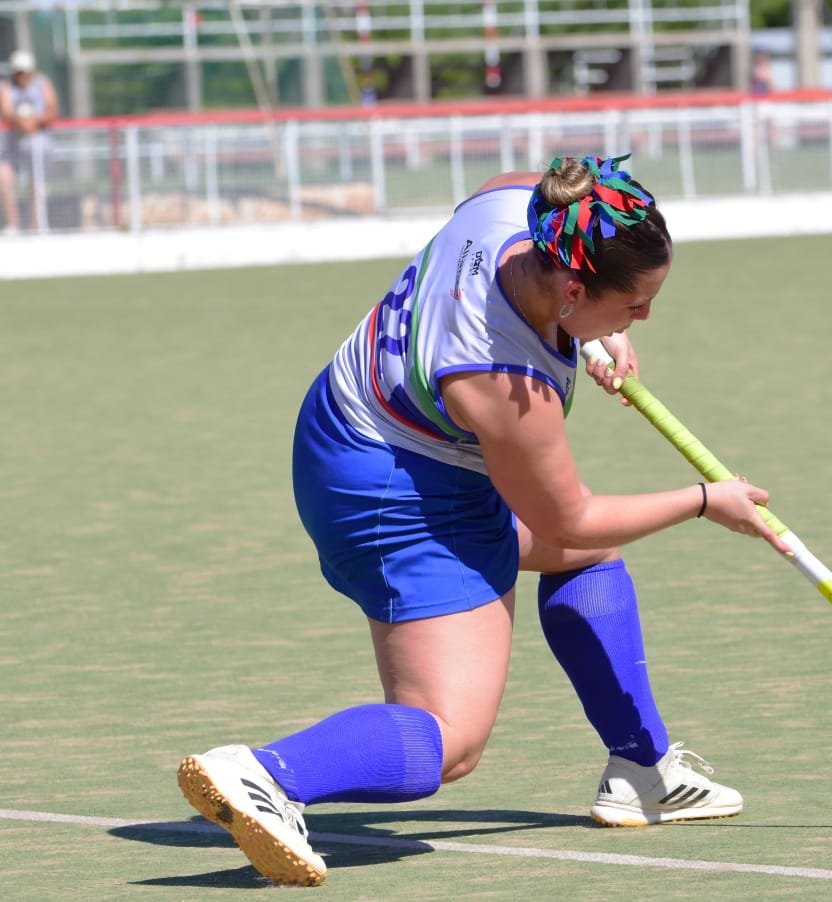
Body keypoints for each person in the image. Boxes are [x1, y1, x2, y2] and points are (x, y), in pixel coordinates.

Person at [176, 154, 788, 887]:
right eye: (634, 305)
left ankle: (642, 769)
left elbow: (521, 194)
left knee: (586, 561)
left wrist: (589, 329)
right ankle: (264, 774)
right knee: (452, 738)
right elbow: (569, 517)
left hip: (354, 418)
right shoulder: (501, 377)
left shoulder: (516, 211)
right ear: (573, 288)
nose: (644, 318)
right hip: (392, 493)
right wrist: (704, 501)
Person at [0, 49, 58, 235]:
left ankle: (36, 227)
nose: (22, 76)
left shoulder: (43, 83)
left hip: (38, 148)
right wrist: (22, 122)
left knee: (37, 185)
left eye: (25, 72)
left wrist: (34, 121)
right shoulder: (6, 87)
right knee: (4, 178)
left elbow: (52, 110)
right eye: (19, 72)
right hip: (13, 149)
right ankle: (14, 225)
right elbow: (8, 111)